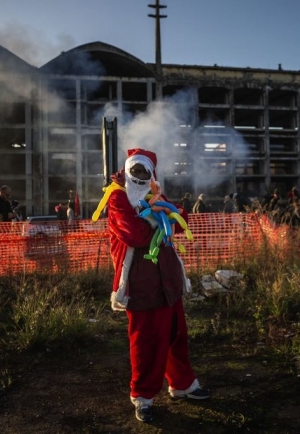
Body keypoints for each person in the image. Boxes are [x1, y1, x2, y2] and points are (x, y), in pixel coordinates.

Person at [99, 148, 210, 423]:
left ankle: (182, 384)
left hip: (168, 279)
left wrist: (163, 213)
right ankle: (143, 396)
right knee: (145, 341)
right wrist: (162, 217)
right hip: (141, 283)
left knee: (175, 334)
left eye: (143, 171)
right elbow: (133, 234)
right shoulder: (116, 197)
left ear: (151, 173)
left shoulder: (153, 192)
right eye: (134, 170)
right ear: (126, 170)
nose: (138, 175)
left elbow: (181, 217)